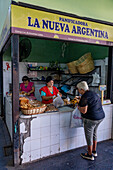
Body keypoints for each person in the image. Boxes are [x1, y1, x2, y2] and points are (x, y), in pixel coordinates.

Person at [76, 81, 105, 161]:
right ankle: (94, 151)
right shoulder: (94, 93)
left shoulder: (84, 96)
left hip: (91, 119)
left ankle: (89, 154)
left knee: (88, 136)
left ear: (82, 89)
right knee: (94, 133)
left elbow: (84, 111)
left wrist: (78, 107)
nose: (78, 91)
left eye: (79, 89)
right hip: (100, 117)